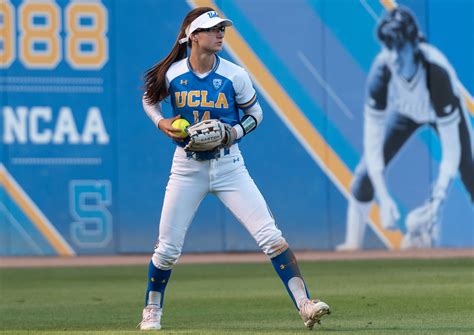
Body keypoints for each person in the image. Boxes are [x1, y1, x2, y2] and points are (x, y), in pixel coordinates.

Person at [138, 7, 330, 331]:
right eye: (213, 29)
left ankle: (305, 305)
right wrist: (162, 122)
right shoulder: (172, 74)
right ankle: (152, 309)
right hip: (187, 168)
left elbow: (256, 114)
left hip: (229, 166)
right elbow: (149, 99)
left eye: (222, 28)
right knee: (167, 250)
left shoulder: (234, 74)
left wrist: (234, 132)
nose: (220, 33)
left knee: (270, 236)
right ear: (192, 36)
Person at [337, 6, 473, 251]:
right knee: (365, 175)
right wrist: (384, 198)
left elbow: (452, 151)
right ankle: (351, 248)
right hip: (405, 113)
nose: (393, 55)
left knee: (471, 173)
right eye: (388, 47)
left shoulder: (437, 73)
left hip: (438, 112)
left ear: (414, 43)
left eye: (399, 46)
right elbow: (372, 142)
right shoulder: (382, 71)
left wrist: (437, 202)